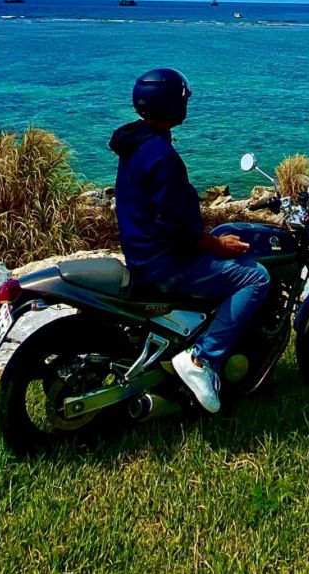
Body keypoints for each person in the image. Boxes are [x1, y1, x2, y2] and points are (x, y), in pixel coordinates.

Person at [108, 67, 270, 414]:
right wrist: (217, 245)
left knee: (225, 243)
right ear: (172, 105)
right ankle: (202, 359)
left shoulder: (135, 142)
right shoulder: (161, 156)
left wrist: (209, 239)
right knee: (256, 277)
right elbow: (177, 227)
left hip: (142, 251)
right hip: (165, 263)